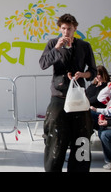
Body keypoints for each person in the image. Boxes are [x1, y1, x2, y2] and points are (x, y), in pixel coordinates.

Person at [39, 13, 97, 172]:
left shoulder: (84, 46)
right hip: (59, 96)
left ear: (75, 29)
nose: (66, 32)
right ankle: (52, 169)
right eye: (63, 28)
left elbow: (93, 71)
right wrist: (57, 48)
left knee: (82, 138)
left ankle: (80, 169)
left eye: (69, 29)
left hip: (79, 98)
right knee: (56, 138)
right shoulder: (52, 43)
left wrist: (82, 74)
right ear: (60, 29)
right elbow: (43, 64)